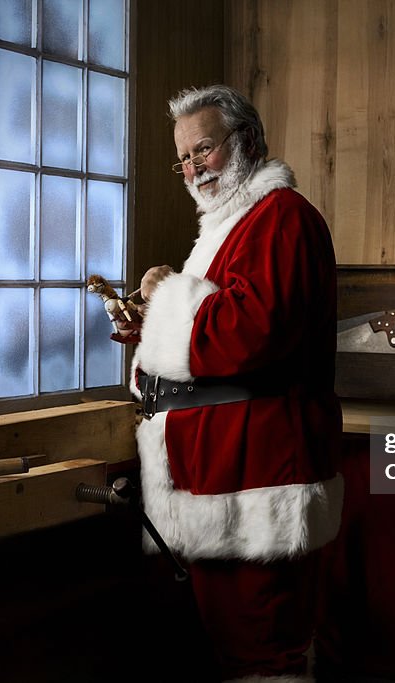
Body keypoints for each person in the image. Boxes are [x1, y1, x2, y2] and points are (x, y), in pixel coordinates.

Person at [120, 85, 344, 681]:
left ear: (244, 141)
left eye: (205, 150)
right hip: (219, 469)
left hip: (258, 472)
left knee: (262, 649)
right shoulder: (230, 226)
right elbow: (209, 326)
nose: (193, 169)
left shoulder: (282, 217)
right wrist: (150, 323)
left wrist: (165, 295)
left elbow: (248, 332)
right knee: (238, 648)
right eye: (184, 159)